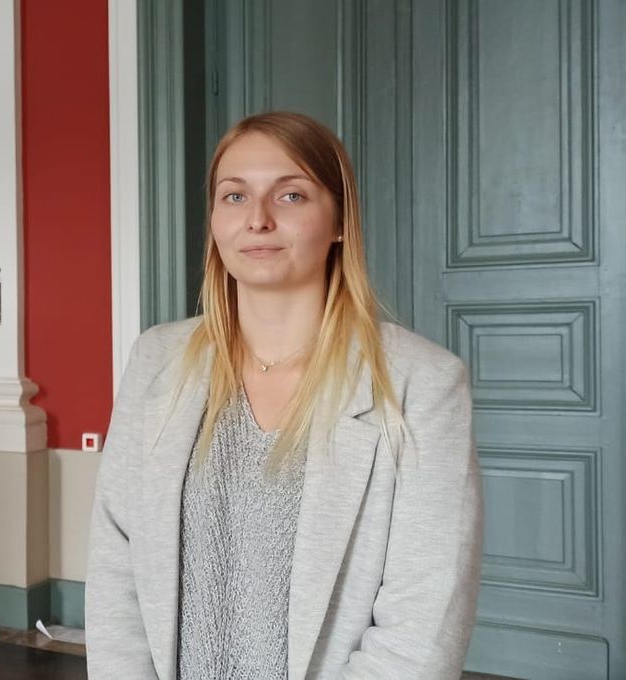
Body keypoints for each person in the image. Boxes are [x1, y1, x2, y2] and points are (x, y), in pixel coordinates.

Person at [85, 111, 482, 679]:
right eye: (234, 196)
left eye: (291, 196)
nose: (258, 220)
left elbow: (424, 625)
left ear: (339, 220)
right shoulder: (156, 360)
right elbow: (115, 566)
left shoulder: (422, 382)